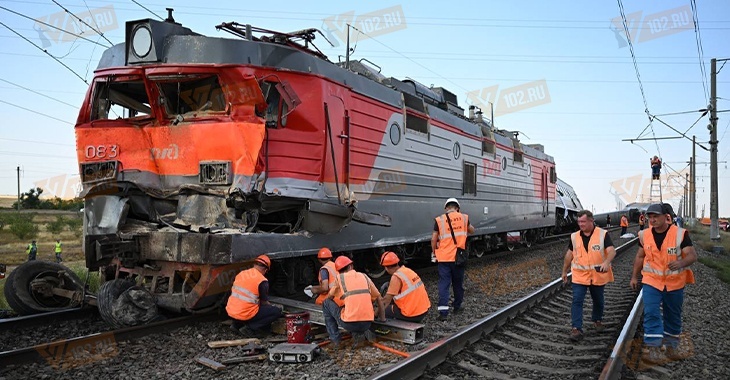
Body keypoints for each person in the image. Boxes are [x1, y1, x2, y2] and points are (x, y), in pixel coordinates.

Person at [630, 203, 697, 364]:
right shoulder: (644, 235)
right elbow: (640, 257)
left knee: (672, 315)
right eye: (650, 217)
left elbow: (692, 255)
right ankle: (653, 347)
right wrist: (634, 277)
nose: (652, 220)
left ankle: (671, 345)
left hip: (674, 283)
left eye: (655, 217)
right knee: (651, 312)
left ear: (665, 217)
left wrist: (681, 263)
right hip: (651, 281)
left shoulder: (680, 234)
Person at [561, 210, 616, 341]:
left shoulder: (602, 234)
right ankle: (576, 328)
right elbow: (569, 255)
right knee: (577, 300)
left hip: (597, 274)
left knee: (598, 299)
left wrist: (607, 262)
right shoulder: (574, 237)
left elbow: (612, 251)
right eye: (579, 222)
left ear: (591, 221)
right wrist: (564, 271)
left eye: (583, 221)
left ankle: (597, 320)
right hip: (580, 275)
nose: (581, 224)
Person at [322, 256, 385, 346]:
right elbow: (378, 297)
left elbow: (330, 297)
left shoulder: (340, 277)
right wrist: (382, 320)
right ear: (351, 266)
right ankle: (361, 333)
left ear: (338, 270)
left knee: (326, 303)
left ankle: (335, 340)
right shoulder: (364, 276)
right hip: (367, 324)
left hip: (349, 324)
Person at [431, 198, 475, 321]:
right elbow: (472, 230)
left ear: (446, 208)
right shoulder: (464, 218)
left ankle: (443, 312)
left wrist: (434, 251)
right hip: (458, 258)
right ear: (457, 208)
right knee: (458, 283)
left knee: (444, 284)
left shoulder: (439, 220)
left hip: (443, 258)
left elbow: (434, 239)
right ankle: (457, 306)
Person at [226, 255, 282, 337]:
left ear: (255, 265)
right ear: (265, 269)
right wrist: (275, 307)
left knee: (244, 306)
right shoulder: (262, 281)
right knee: (275, 312)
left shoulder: (241, 274)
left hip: (231, 312)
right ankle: (249, 328)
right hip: (244, 315)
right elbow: (264, 302)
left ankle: (236, 325)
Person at [379, 251, 431, 323]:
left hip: (412, 314)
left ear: (386, 268)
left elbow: (386, 301)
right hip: (424, 310)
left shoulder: (396, 277)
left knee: (385, 310)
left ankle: (393, 327)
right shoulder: (407, 270)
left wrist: (374, 314)